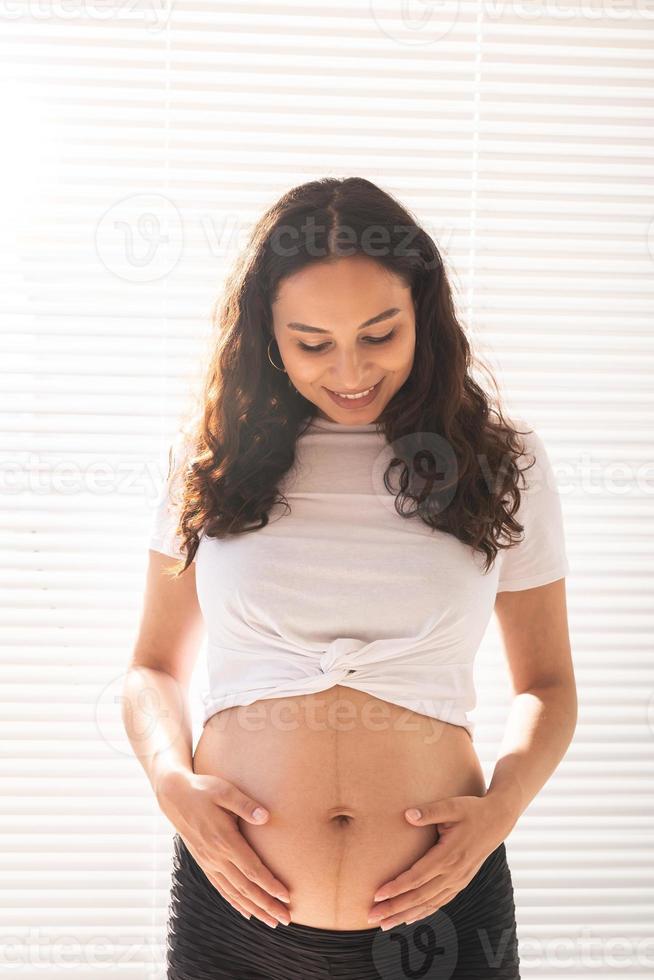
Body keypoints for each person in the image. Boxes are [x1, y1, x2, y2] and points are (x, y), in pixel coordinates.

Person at [122, 176, 577, 980]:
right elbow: (153, 668)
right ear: (266, 333)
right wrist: (171, 782)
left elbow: (547, 683)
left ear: (423, 319)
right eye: (312, 343)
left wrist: (500, 812)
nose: (351, 371)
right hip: (236, 913)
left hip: (442, 915)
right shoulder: (214, 461)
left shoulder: (501, 462)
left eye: (379, 335)